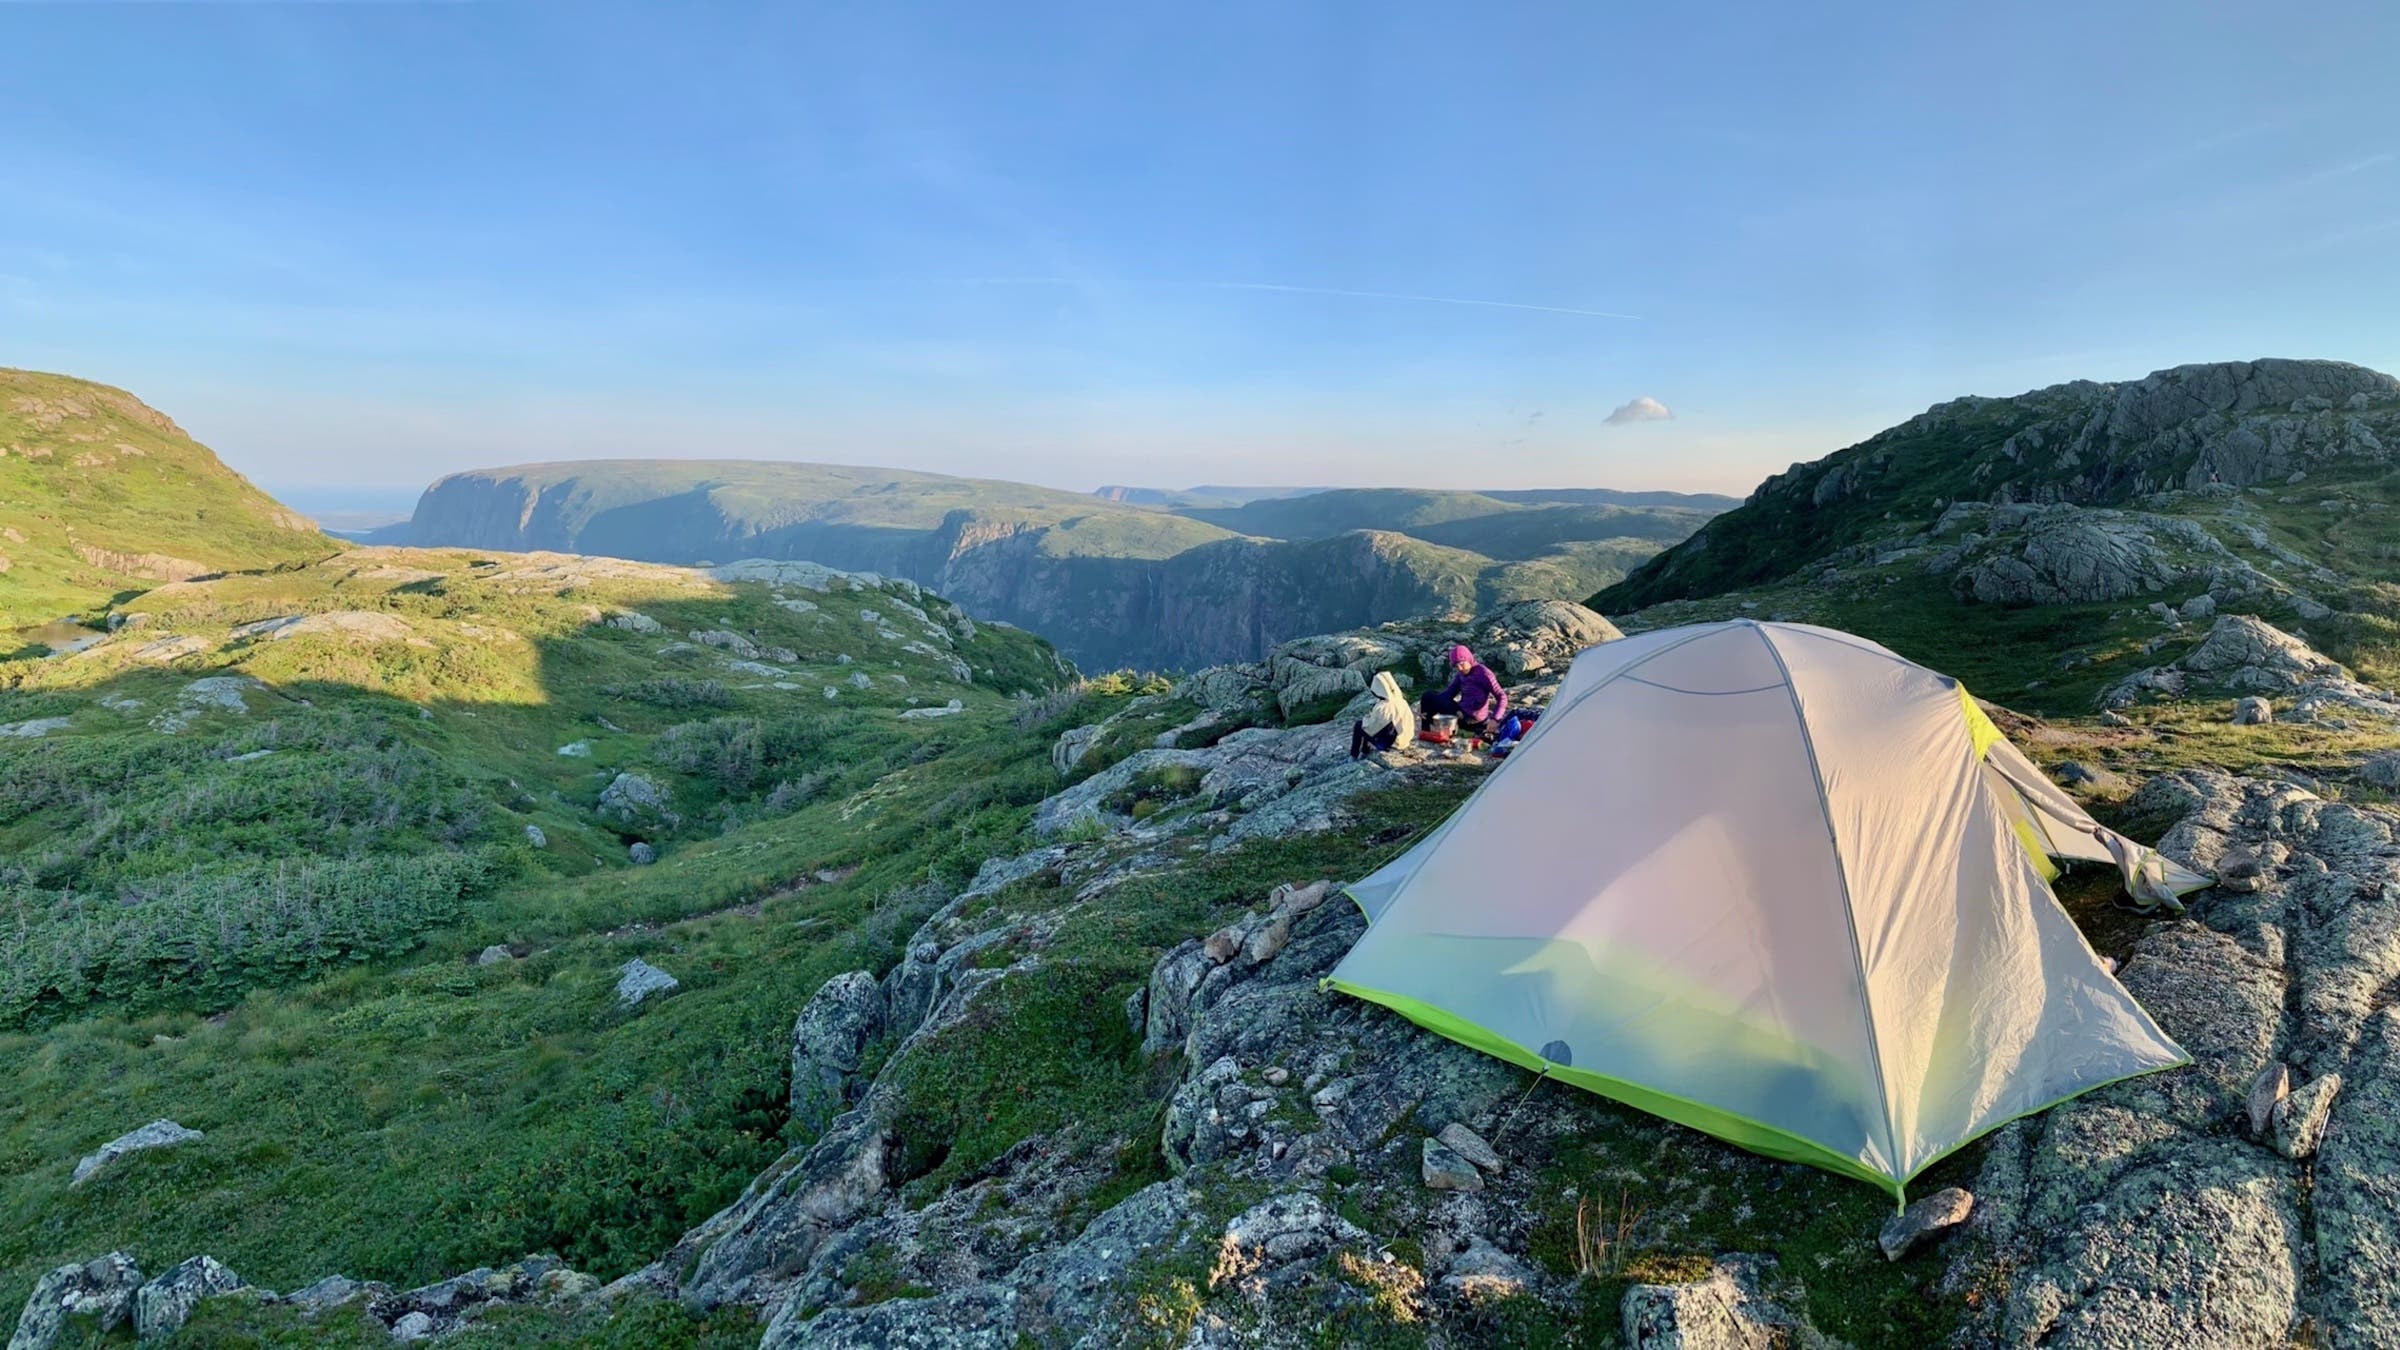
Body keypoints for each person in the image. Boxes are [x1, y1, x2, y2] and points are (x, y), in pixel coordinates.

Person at [1422, 644, 1507, 740]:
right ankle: (1426, 732)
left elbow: (1502, 696)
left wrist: (1495, 719)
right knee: (1428, 695)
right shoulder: (1461, 675)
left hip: (1473, 719)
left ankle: (1453, 730)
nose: (1460, 668)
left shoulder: (1484, 674)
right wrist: (1432, 705)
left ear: (1469, 659)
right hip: (1461, 713)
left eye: (1462, 664)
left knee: (1433, 699)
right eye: (1456, 666)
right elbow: (1449, 694)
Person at [1351, 670, 1417, 759]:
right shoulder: (1402, 701)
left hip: (1393, 744)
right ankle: (1364, 750)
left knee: (1360, 725)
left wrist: (1367, 719)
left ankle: (1355, 754)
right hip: (1404, 740)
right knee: (1366, 724)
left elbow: (1371, 728)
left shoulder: (1383, 707)